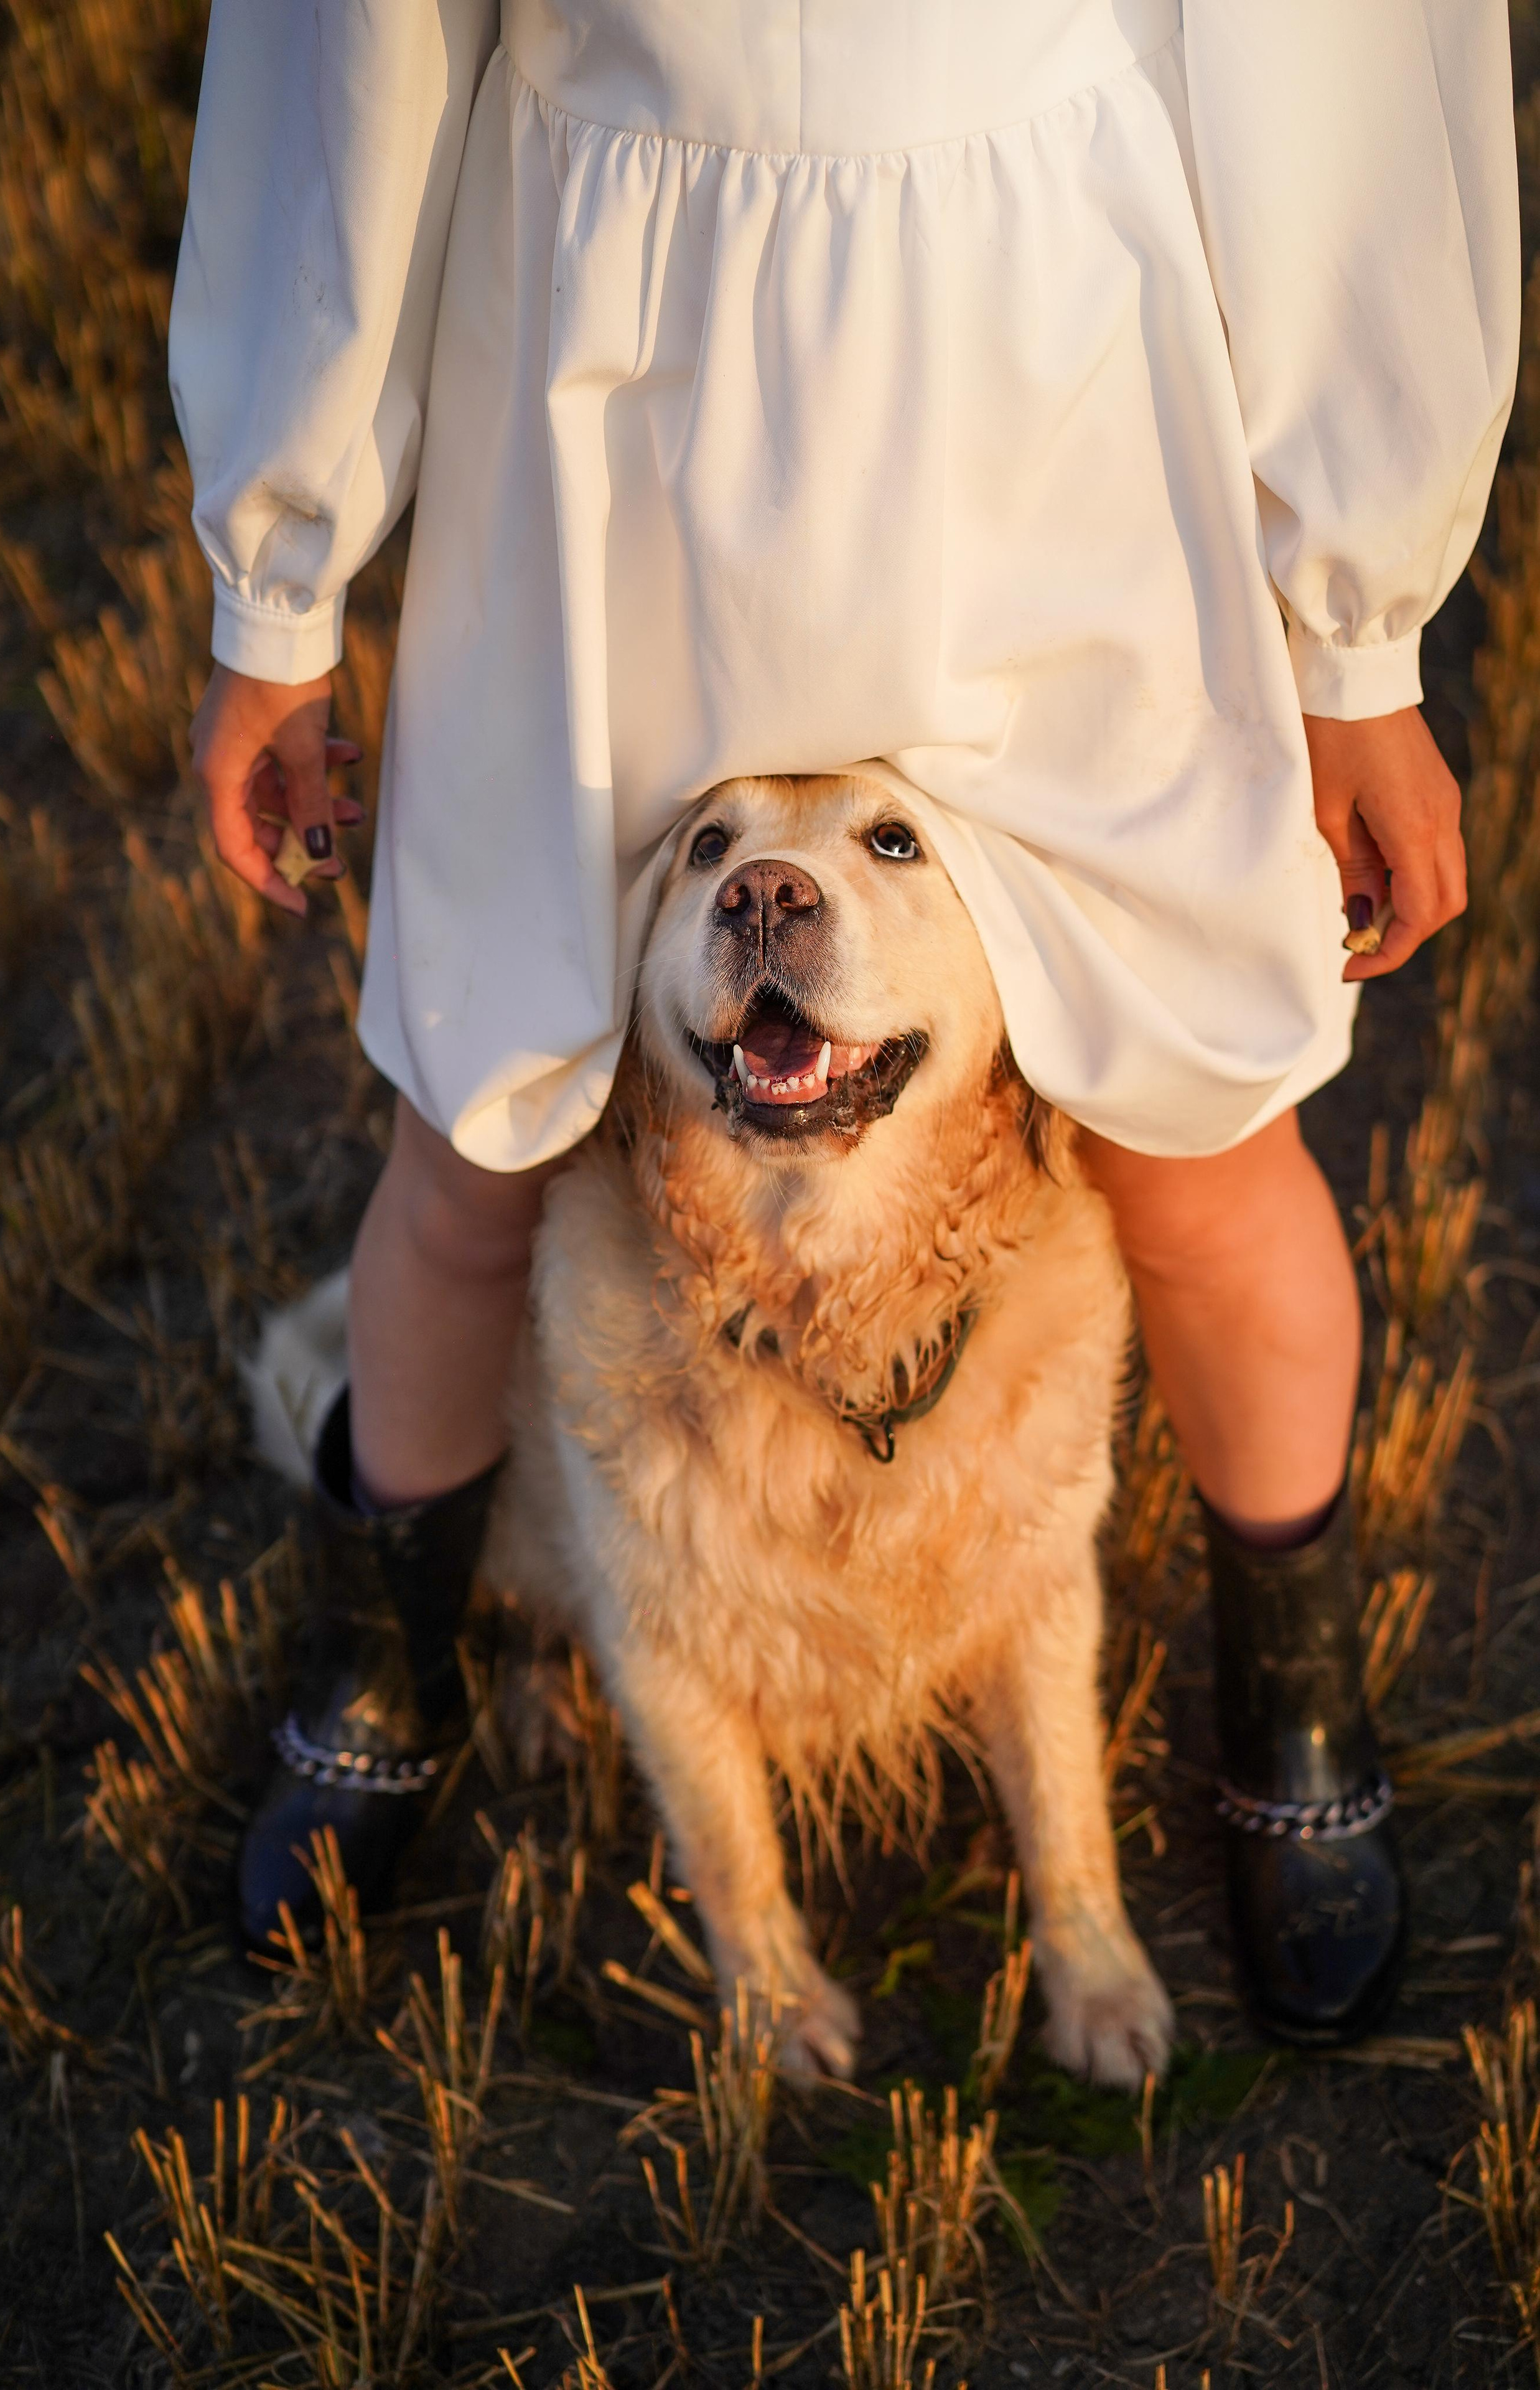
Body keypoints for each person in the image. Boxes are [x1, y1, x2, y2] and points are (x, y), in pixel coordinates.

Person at [171, 0, 1518, 2048]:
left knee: (1201, 1135)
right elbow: (350, 40)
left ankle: (1299, 1706)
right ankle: (387, 1668)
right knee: (484, 1139)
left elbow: (1320, 41)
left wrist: (1361, 627)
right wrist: (280, 580)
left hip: (1045, 355)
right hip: (607, 400)